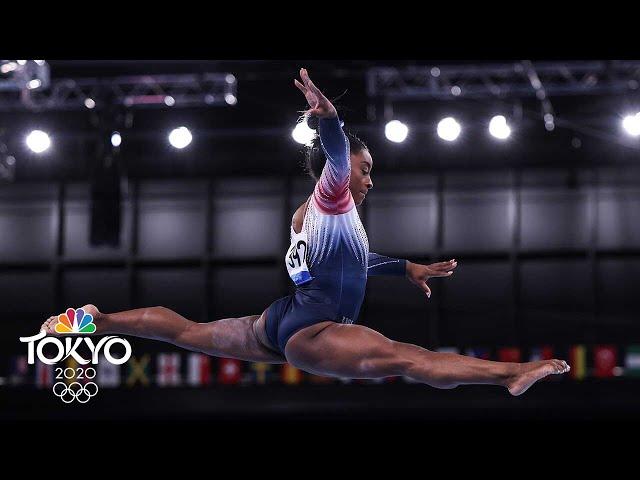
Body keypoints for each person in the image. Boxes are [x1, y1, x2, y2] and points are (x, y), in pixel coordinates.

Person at [41, 68, 569, 396]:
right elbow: (337, 159)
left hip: (281, 321)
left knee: (187, 331)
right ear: (338, 172)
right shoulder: (330, 194)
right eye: (366, 169)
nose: (369, 179)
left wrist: (404, 267)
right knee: (412, 359)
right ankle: (512, 374)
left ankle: (97, 319)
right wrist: (331, 121)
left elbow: (350, 264)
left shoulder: (317, 217)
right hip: (313, 331)